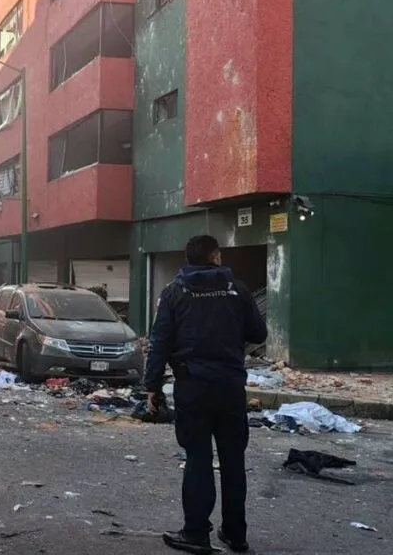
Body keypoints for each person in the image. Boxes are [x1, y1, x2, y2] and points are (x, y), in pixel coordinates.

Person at [144, 235, 266, 554]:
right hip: (230, 386)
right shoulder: (237, 290)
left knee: (198, 457)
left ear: (188, 259)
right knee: (233, 460)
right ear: (215, 256)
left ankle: (196, 533)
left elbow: (160, 343)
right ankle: (235, 534)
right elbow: (258, 333)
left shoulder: (174, 293)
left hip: (193, 386)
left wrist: (152, 388)